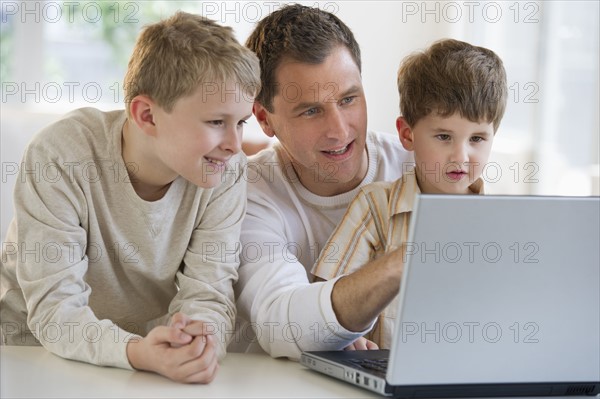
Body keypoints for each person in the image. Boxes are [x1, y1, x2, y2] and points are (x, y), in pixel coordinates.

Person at [0, 12, 260, 383]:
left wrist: (196, 346)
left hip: (145, 359)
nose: (234, 145)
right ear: (147, 115)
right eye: (217, 122)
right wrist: (138, 352)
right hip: (26, 353)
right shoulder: (61, 155)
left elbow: (209, 294)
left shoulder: (226, 173)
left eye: (241, 122)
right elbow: (55, 312)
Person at [230, 4, 412, 359]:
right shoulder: (247, 193)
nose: (340, 131)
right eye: (311, 110)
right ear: (265, 119)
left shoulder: (417, 168)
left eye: (348, 99)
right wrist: (399, 263)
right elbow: (282, 323)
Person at [312, 38, 508, 348]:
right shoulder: (376, 205)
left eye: (478, 139)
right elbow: (323, 300)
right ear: (407, 134)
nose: (461, 156)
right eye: (444, 136)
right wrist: (347, 337)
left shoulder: (503, 221)